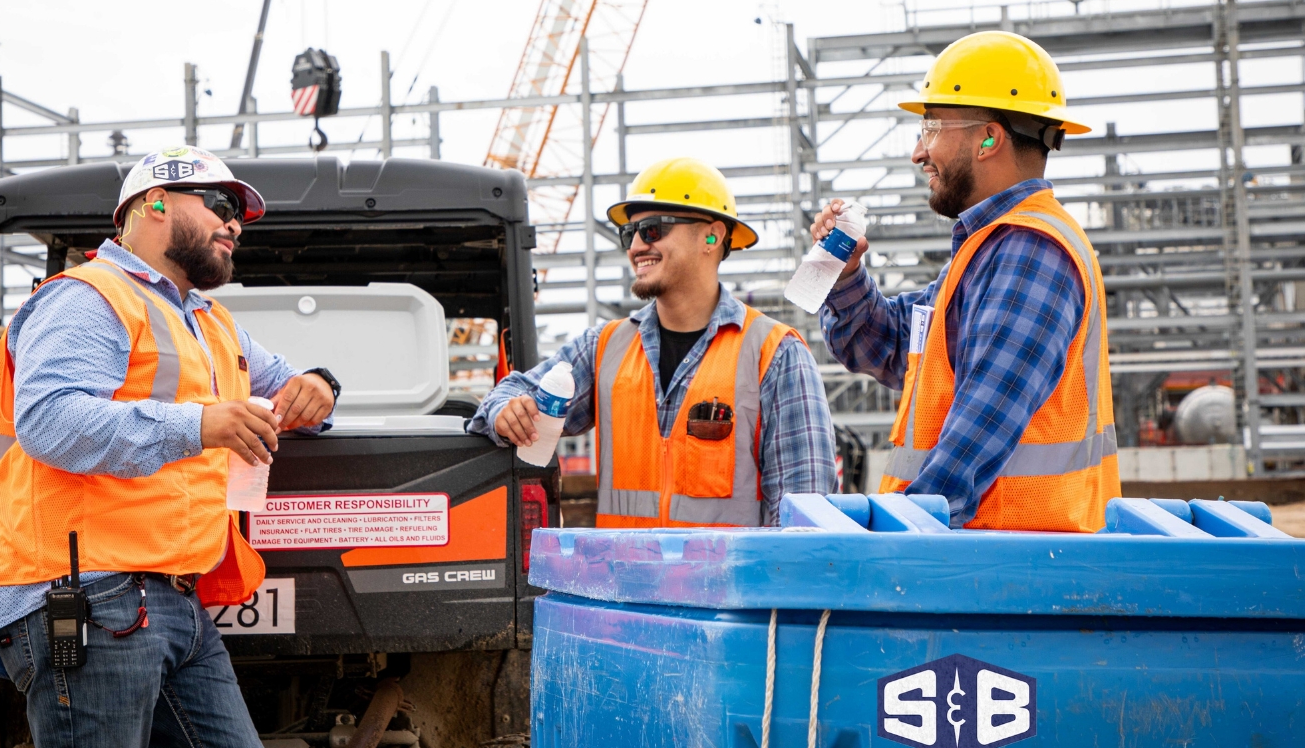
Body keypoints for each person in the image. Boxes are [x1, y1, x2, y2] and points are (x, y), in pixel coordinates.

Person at [0, 146, 341, 748]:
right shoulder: (87, 299)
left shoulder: (208, 320)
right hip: (89, 592)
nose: (236, 224)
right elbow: (52, 424)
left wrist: (319, 384)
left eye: (242, 215)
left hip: (170, 600)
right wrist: (203, 425)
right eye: (222, 205)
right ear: (156, 204)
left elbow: (291, 393)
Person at [815, 31, 1120, 532]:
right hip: (989, 564)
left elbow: (978, 433)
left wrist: (895, 542)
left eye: (931, 128)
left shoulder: (1031, 252)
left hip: (1004, 569)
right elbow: (888, 344)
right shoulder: (989, 251)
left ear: (988, 139)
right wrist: (844, 274)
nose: (919, 152)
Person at [471, 157, 836, 525]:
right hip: (625, 583)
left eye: (652, 229)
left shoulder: (775, 354)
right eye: (630, 234)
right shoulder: (605, 347)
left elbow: (805, 520)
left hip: (729, 584)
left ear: (712, 236)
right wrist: (505, 410)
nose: (636, 247)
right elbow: (512, 393)